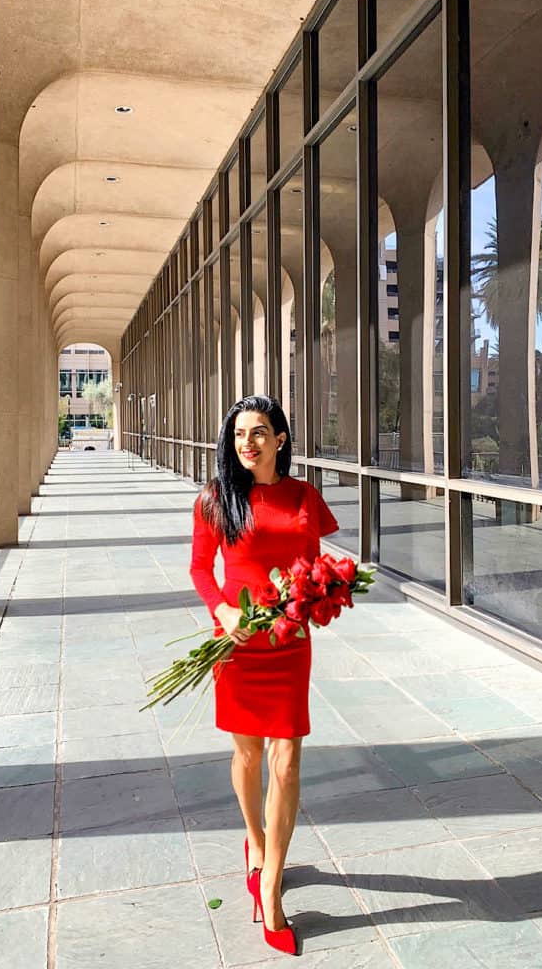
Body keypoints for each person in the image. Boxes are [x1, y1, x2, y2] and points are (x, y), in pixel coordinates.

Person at [189, 395, 339, 956]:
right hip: (238, 642)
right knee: (248, 755)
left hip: (288, 644)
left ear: (280, 438)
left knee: (289, 760)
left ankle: (272, 886)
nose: (246, 443)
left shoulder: (304, 497)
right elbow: (202, 570)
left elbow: (313, 564)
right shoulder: (215, 499)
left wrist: (320, 593)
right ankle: (256, 843)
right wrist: (223, 611)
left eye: (258, 432)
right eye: (237, 435)